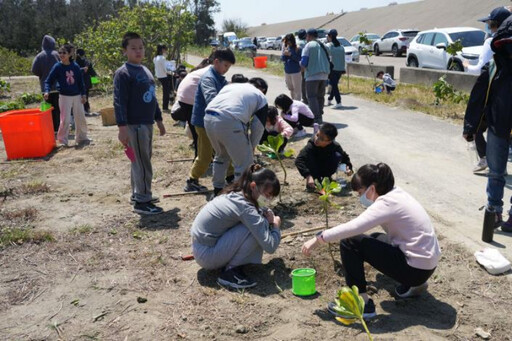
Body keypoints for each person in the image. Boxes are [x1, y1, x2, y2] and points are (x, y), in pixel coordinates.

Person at [302, 163, 441, 319]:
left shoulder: (386, 204)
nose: (360, 197)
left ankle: (361, 303)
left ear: (372, 188)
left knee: (349, 242)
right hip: (428, 264)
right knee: (375, 238)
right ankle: (415, 286)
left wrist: (318, 239)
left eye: (361, 192)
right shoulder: (397, 193)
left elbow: (353, 228)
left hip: (415, 269)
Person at [191, 164, 282, 289]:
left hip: (201, 247)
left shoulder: (239, 193)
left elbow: (260, 209)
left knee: (257, 222)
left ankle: (229, 262)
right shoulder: (245, 207)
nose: (269, 199)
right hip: (206, 254)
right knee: (256, 227)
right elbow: (270, 246)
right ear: (253, 186)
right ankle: (230, 272)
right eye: (267, 194)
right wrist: (275, 225)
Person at [463, 17, 512, 233]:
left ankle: (496, 212)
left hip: (497, 126)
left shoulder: (494, 65)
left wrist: (470, 127)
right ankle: (494, 211)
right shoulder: (494, 66)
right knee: (495, 172)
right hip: (497, 126)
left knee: (496, 173)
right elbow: (478, 96)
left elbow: (477, 97)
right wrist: (470, 126)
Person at [114, 32, 166, 215]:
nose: (138, 51)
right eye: (133, 48)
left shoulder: (145, 70)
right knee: (142, 162)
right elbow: (119, 101)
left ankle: (139, 194)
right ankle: (143, 203)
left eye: (141, 47)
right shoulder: (123, 73)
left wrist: (159, 120)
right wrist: (122, 128)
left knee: (141, 160)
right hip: (134, 125)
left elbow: (152, 98)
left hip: (147, 123)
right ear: (125, 51)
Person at [463, 7, 511, 173]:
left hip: (490, 92)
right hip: (502, 93)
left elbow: (478, 69)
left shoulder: (492, 42)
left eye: (490, 24)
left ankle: (487, 159)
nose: (488, 28)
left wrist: (466, 66)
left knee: (477, 126)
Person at [204, 77, 269, 196]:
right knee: (244, 163)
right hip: (230, 120)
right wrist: (251, 146)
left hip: (209, 118)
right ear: (263, 90)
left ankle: (217, 190)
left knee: (221, 156)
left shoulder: (231, 87)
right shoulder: (261, 96)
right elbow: (258, 126)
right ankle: (239, 195)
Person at [185, 48, 236, 192]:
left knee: (224, 150)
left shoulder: (219, 77)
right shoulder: (208, 78)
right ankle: (192, 180)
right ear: (216, 62)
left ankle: (230, 176)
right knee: (205, 155)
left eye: (229, 67)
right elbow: (211, 98)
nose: (227, 69)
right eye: (226, 65)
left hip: (215, 121)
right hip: (203, 123)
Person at [44, 44, 90, 147]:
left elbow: (80, 82)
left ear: (70, 54)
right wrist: (46, 91)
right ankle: (63, 141)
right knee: (65, 119)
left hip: (77, 95)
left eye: (64, 52)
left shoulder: (75, 66)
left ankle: (82, 138)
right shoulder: (57, 67)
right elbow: (48, 80)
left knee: (80, 117)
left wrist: (83, 95)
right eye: (60, 52)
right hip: (64, 96)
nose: (61, 54)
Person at [172, 53, 214, 155]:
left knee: (197, 134)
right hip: (192, 102)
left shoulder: (198, 70)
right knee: (201, 134)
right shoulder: (210, 71)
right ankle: (203, 157)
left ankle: (201, 156)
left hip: (183, 101)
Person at [295, 123, 352, 191]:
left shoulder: (335, 146)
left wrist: (349, 168)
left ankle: (327, 178)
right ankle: (314, 180)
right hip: (313, 169)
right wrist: (308, 176)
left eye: (321, 139)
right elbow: (299, 160)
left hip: (326, 168)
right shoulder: (311, 145)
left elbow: (345, 158)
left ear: (329, 142)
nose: (317, 139)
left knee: (337, 155)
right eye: (317, 135)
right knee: (308, 156)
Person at [300, 28, 331, 124]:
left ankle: (316, 118)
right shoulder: (324, 45)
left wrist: (301, 66)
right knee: (320, 96)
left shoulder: (308, 45)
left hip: (312, 75)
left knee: (312, 97)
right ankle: (320, 114)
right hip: (324, 74)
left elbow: (304, 62)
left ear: (308, 36)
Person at [32, 35, 60, 132]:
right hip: (57, 86)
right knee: (57, 108)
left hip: (45, 88)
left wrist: (42, 74)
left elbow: (34, 70)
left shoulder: (39, 56)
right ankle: (58, 128)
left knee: (48, 109)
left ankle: (50, 128)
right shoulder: (57, 54)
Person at [326, 29, 345, 109]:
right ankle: (330, 99)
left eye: (327, 35)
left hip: (333, 68)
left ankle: (338, 101)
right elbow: (343, 58)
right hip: (340, 68)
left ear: (330, 36)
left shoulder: (329, 45)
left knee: (334, 85)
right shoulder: (341, 46)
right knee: (334, 85)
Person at [75, 49, 97, 116]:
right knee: (86, 95)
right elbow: (93, 73)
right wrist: (95, 83)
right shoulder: (87, 62)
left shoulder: (74, 62)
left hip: (77, 82)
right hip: (86, 82)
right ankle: (86, 108)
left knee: (78, 96)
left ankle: (80, 110)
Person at [281, 33, 302, 100]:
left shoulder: (297, 48)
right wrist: (284, 54)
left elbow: (299, 59)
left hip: (295, 71)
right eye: (287, 41)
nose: (288, 43)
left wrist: (290, 55)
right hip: (287, 71)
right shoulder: (286, 48)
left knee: (297, 89)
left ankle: (298, 103)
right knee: (291, 88)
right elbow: (282, 59)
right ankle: (293, 101)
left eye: (289, 41)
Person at [153, 44, 172, 111]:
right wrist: (171, 71)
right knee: (166, 92)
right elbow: (165, 69)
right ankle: (165, 107)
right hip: (164, 76)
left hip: (158, 75)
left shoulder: (155, 58)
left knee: (165, 90)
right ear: (162, 49)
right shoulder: (162, 58)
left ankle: (165, 105)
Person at [296, 29, 308, 104]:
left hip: (298, 65)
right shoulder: (307, 43)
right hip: (306, 64)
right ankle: (306, 97)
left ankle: (303, 98)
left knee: (301, 82)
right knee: (306, 82)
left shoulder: (297, 43)